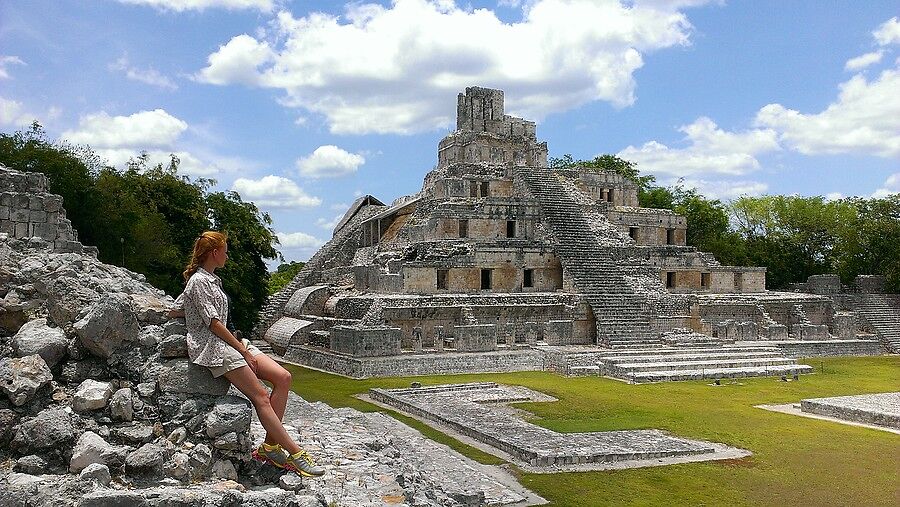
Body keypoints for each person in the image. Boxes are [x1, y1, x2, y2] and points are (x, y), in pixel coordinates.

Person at [168, 231, 324, 477]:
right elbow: (213, 323)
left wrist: (184, 311)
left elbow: (179, 307)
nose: (227, 255)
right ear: (214, 253)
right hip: (214, 346)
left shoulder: (210, 279)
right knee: (260, 395)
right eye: (225, 250)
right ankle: (295, 454)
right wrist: (243, 350)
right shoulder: (198, 281)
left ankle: (270, 447)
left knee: (283, 377)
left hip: (231, 342)